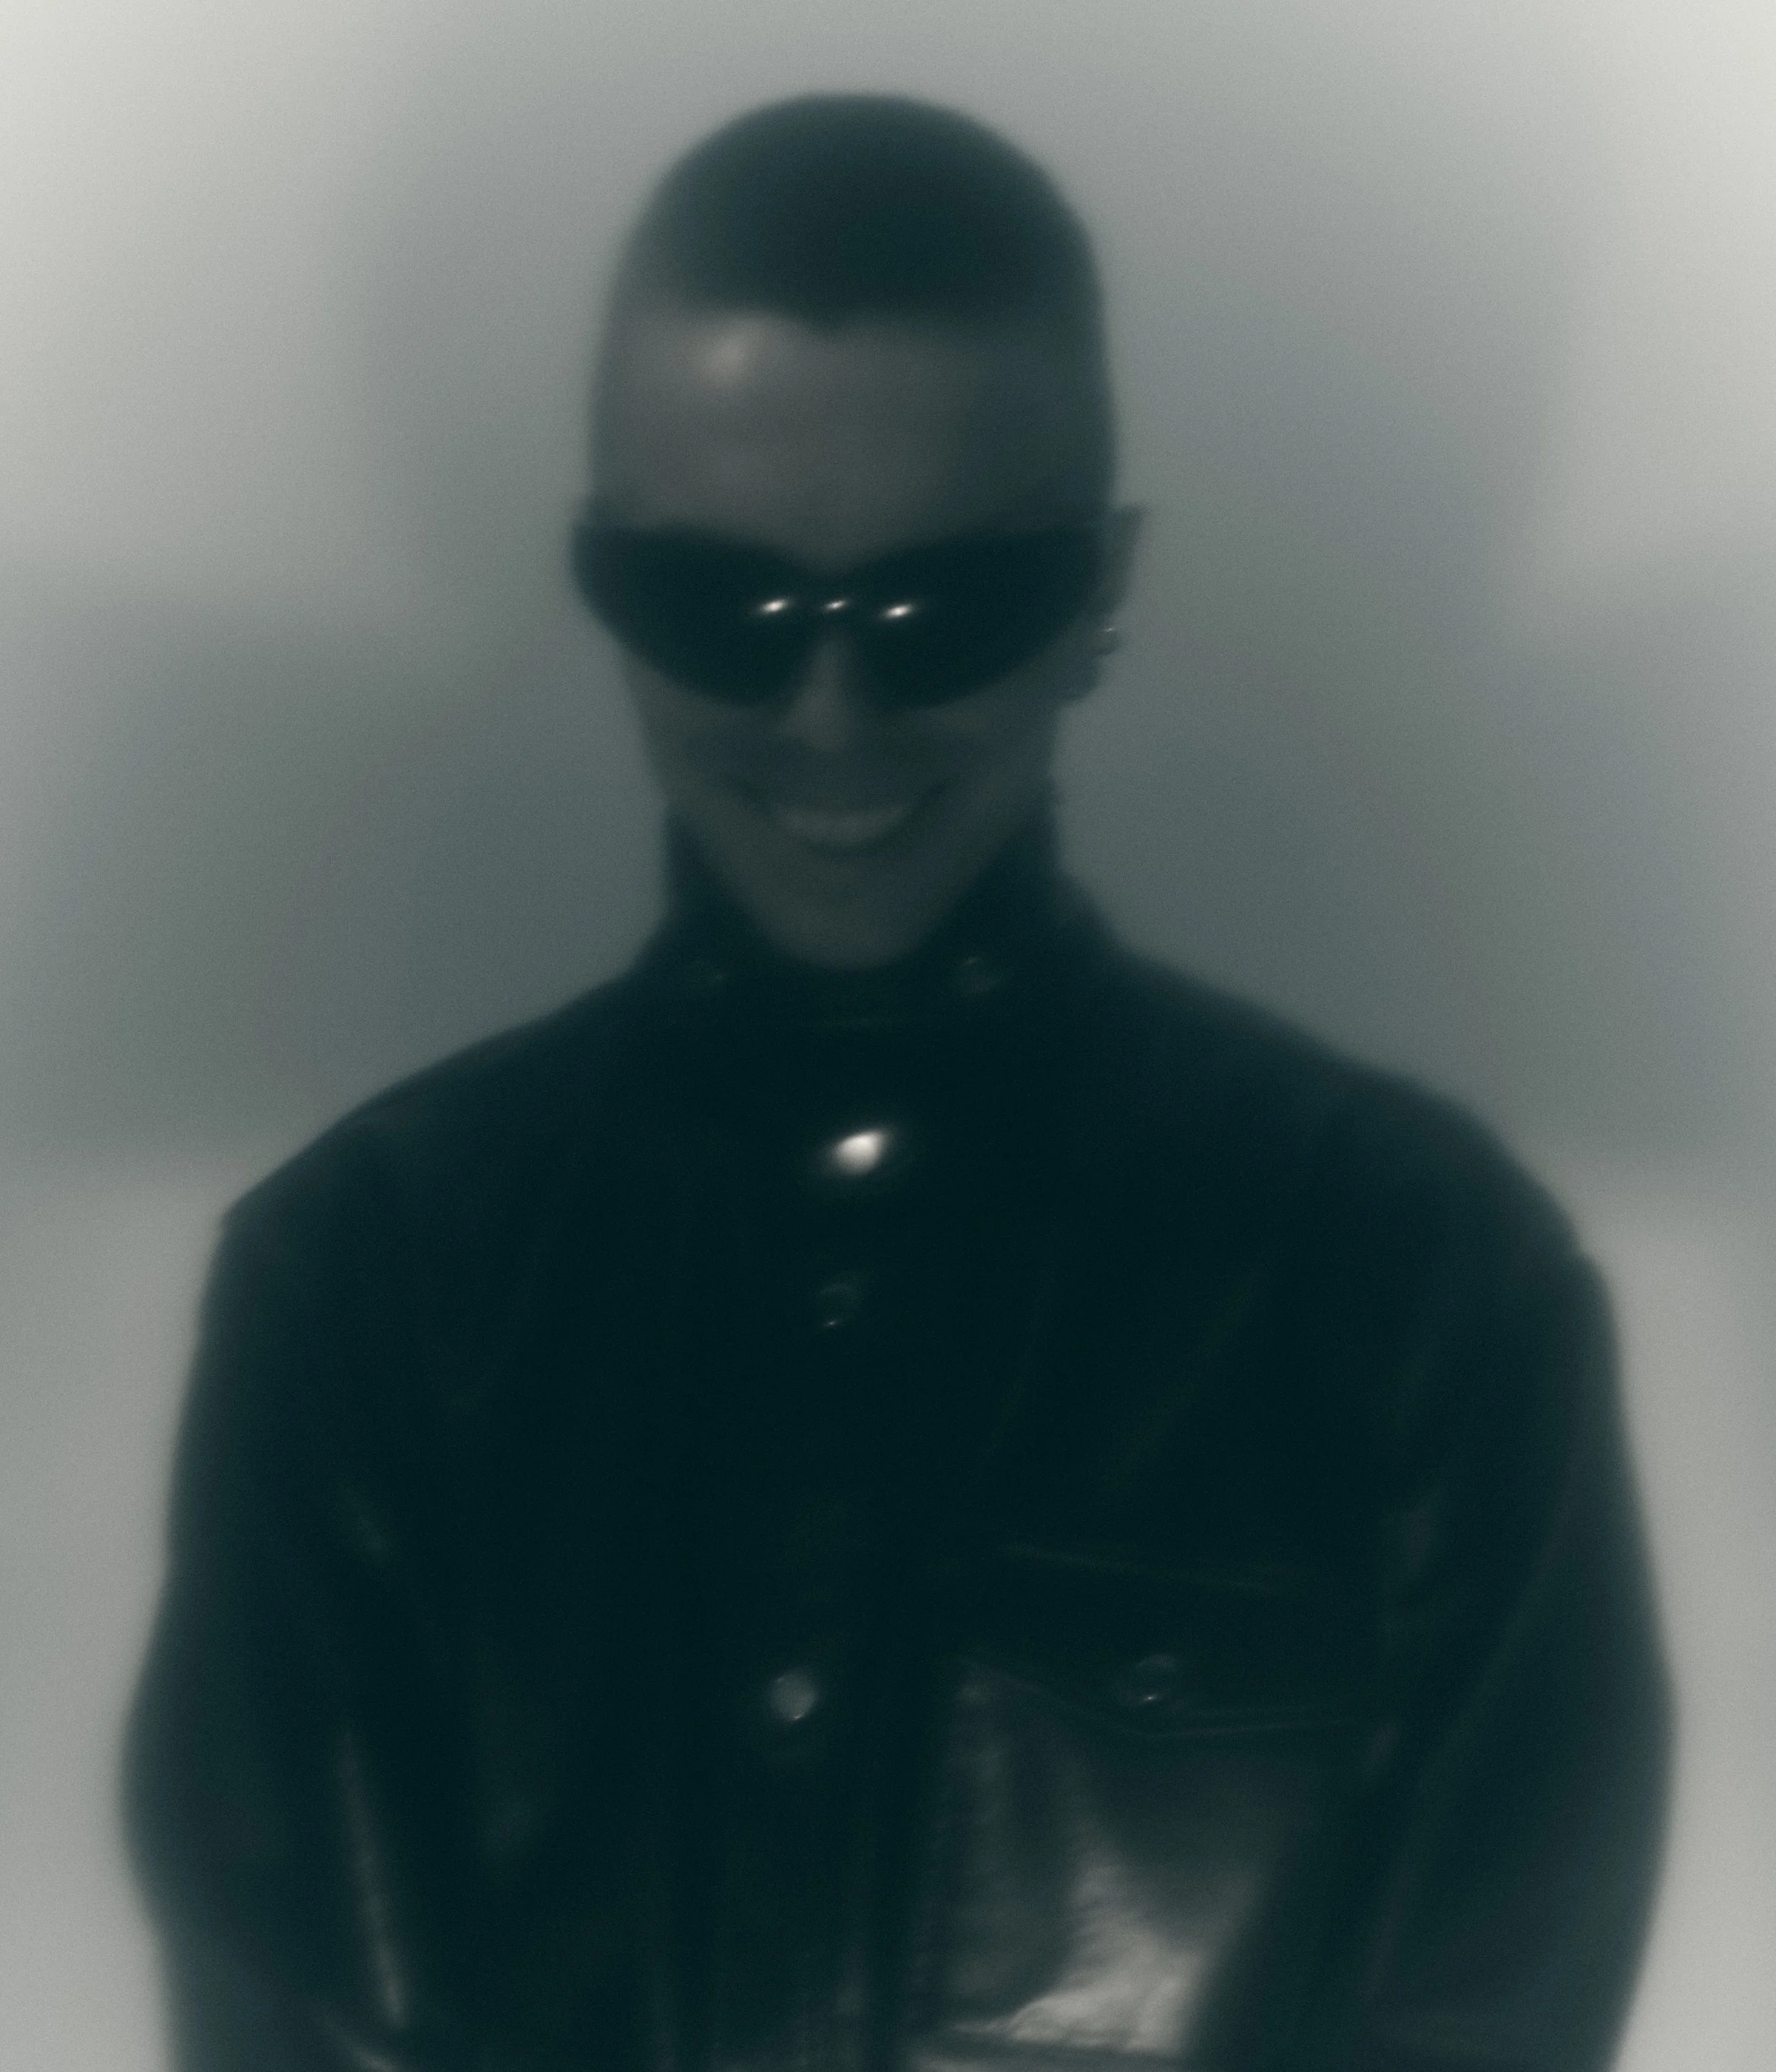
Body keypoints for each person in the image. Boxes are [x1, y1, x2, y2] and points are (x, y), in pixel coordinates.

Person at [124, 94, 1669, 2072]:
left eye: (946, 610)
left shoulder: (1430, 1296)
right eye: (722, 606)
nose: (830, 715)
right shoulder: (356, 1294)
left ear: (1097, 592)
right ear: (601, 581)